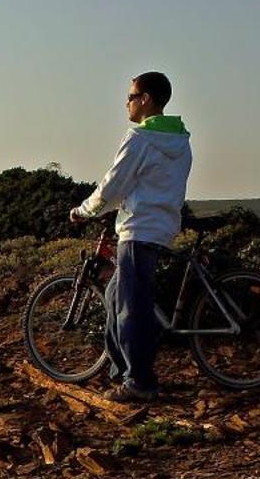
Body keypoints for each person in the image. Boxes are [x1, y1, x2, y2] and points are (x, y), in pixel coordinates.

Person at [70, 71, 193, 403]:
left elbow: (114, 185)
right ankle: (120, 370)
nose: (126, 103)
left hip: (138, 230)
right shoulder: (181, 140)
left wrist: (84, 210)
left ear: (146, 100)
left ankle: (140, 381)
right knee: (115, 298)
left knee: (131, 308)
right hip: (162, 226)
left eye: (131, 96)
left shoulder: (140, 139)